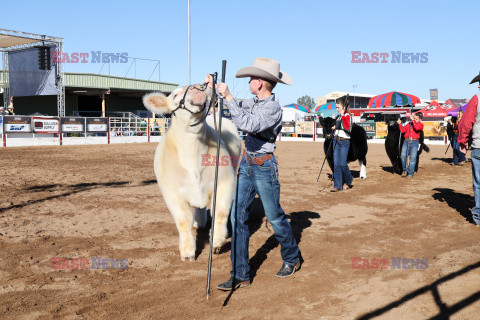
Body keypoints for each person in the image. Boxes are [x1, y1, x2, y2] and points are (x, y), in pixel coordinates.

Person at [205, 57, 301, 291]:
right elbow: (237, 107)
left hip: (264, 167)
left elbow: (249, 124)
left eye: (251, 78)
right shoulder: (253, 102)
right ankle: (240, 274)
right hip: (247, 165)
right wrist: (215, 90)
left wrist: (227, 97)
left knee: (275, 217)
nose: (249, 81)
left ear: (260, 83)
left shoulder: (272, 108)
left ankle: (292, 257)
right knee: (237, 217)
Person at [458, 71, 480, 226]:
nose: (478, 85)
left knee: (479, 183)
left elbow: (466, 123)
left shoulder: (476, 98)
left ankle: (478, 217)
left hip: (479, 146)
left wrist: (462, 141)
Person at [330, 97, 353, 192]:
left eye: (338, 107)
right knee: (336, 164)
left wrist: (343, 115)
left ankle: (349, 180)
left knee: (343, 163)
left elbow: (347, 127)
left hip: (344, 142)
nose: (337, 109)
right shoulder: (339, 116)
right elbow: (340, 126)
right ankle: (337, 185)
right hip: (336, 140)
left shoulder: (347, 116)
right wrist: (335, 127)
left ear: (343, 107)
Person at [397, 112, 424, 178]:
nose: (414, 120)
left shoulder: (420, 124)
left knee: (412, 158)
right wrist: (400, 124)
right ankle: (405, 170)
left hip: (415, 142)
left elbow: (417, 128)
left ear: (420, 119)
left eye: (416, 119)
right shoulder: (409, 124)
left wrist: (413, 120)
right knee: (403, 156)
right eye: (414, 118)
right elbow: (402, 130)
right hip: (406, 141)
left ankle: (410, 173)